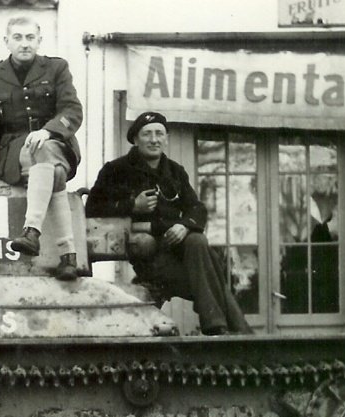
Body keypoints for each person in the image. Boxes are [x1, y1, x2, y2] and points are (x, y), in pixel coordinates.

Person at [85, 112, 252, 335]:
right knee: (208, 266)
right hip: (149, 255)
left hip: (179, 249)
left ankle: (217, 326)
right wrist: (132, 206)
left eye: (159, 134)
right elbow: (92, 209)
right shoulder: (116, 170)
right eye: (147, 134)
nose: (154, 139)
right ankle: (229, 329)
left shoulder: (175, 171)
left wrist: (183, 225)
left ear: (166, 139)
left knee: (196, 239)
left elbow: (197, 208)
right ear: (135, 139)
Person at [0, 15, 82, 281]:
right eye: (17, 38)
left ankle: (31, 232)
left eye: (29, 38)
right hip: (14, 150)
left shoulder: (57, 68)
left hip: (58, 143)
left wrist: (47, 131)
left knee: (44, 149)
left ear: (39, 40)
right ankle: (68, 256)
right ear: (7, 41)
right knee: (54, 173)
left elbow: (72, 110)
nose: (24, 44)